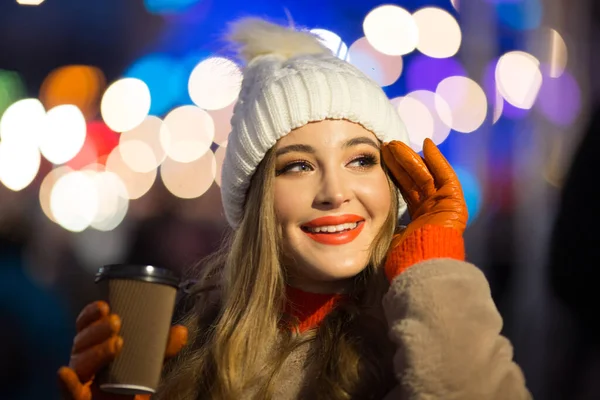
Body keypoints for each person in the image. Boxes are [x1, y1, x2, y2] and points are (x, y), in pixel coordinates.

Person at [57, 18, 531, 400]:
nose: (334, 191)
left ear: (394, 180)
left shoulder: (420, 336)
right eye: (299, 165)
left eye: (361, 159)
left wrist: (433, 266)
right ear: (255, 199)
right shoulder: (185, 352)